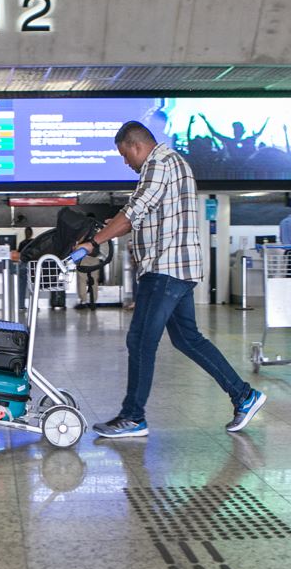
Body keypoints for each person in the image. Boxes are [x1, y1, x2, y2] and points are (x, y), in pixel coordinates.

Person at [73, 121, 265, 438]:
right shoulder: (173, 163)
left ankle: (133, 417)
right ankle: (244, 396)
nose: (126, 162)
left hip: (165, 268)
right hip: (179, 268)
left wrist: (93, 242)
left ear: (136, 146)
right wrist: (113, 225)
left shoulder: (158, 163)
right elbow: (148, 215)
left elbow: (135, 211)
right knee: (187, 338)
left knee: (140, 340)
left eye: (124, 155)